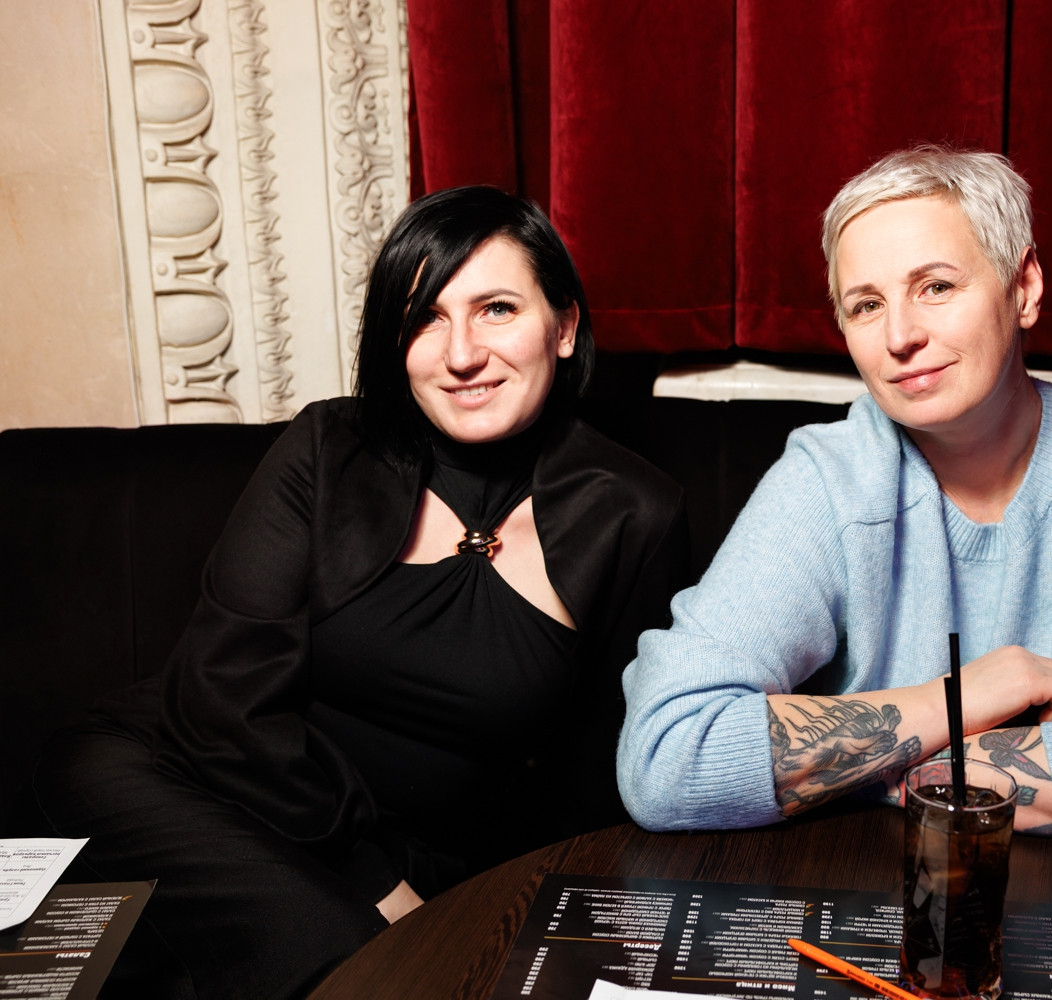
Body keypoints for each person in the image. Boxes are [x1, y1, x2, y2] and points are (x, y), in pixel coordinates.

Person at [20, 186, 687, 999]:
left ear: (565, 326)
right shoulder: (328, 449)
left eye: (497, 309)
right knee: (357, 959)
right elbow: (222, 697)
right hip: (184, 775)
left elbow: (606, 772)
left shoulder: (634, 511)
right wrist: (375, 882)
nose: (462, 353)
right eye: (424, 318)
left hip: (423, 856)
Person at [616, 147, 1052, 851]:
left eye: (936, 287)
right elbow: (666, 756)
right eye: (867, 304)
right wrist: (965, 696)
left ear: (1024, 287)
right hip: (865, 890)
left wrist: (837, 766)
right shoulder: (828, 477)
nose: (900, 337)